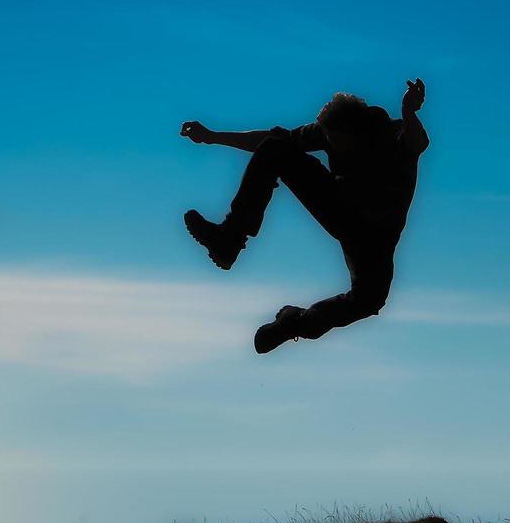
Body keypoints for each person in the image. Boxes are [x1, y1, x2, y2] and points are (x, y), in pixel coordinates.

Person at [180, 79, 429, 354]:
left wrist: (409, 110)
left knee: (368, 301)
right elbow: (262, 140)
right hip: (342, 208)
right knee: (275, 146)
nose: (330, 146)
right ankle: (229, 238)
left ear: (357, 132)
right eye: (327, 140)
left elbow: (416, 140)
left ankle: (294, 323)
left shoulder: (391, 135)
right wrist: (212, 136)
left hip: (375, 236)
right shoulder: (327, 131)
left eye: (336, 142)